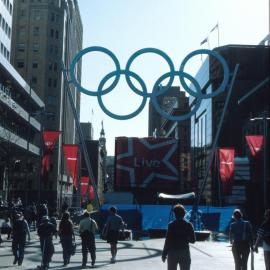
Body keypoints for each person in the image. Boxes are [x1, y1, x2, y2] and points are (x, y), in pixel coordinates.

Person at [162, 204, 195, 270]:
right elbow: (193, 240)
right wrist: (186, 238)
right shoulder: (189, 225)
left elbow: (167, 241)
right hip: (184, 252)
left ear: (175, 214)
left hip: (172, 252)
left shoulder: (171, 225)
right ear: (184, 214)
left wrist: (164, 254)